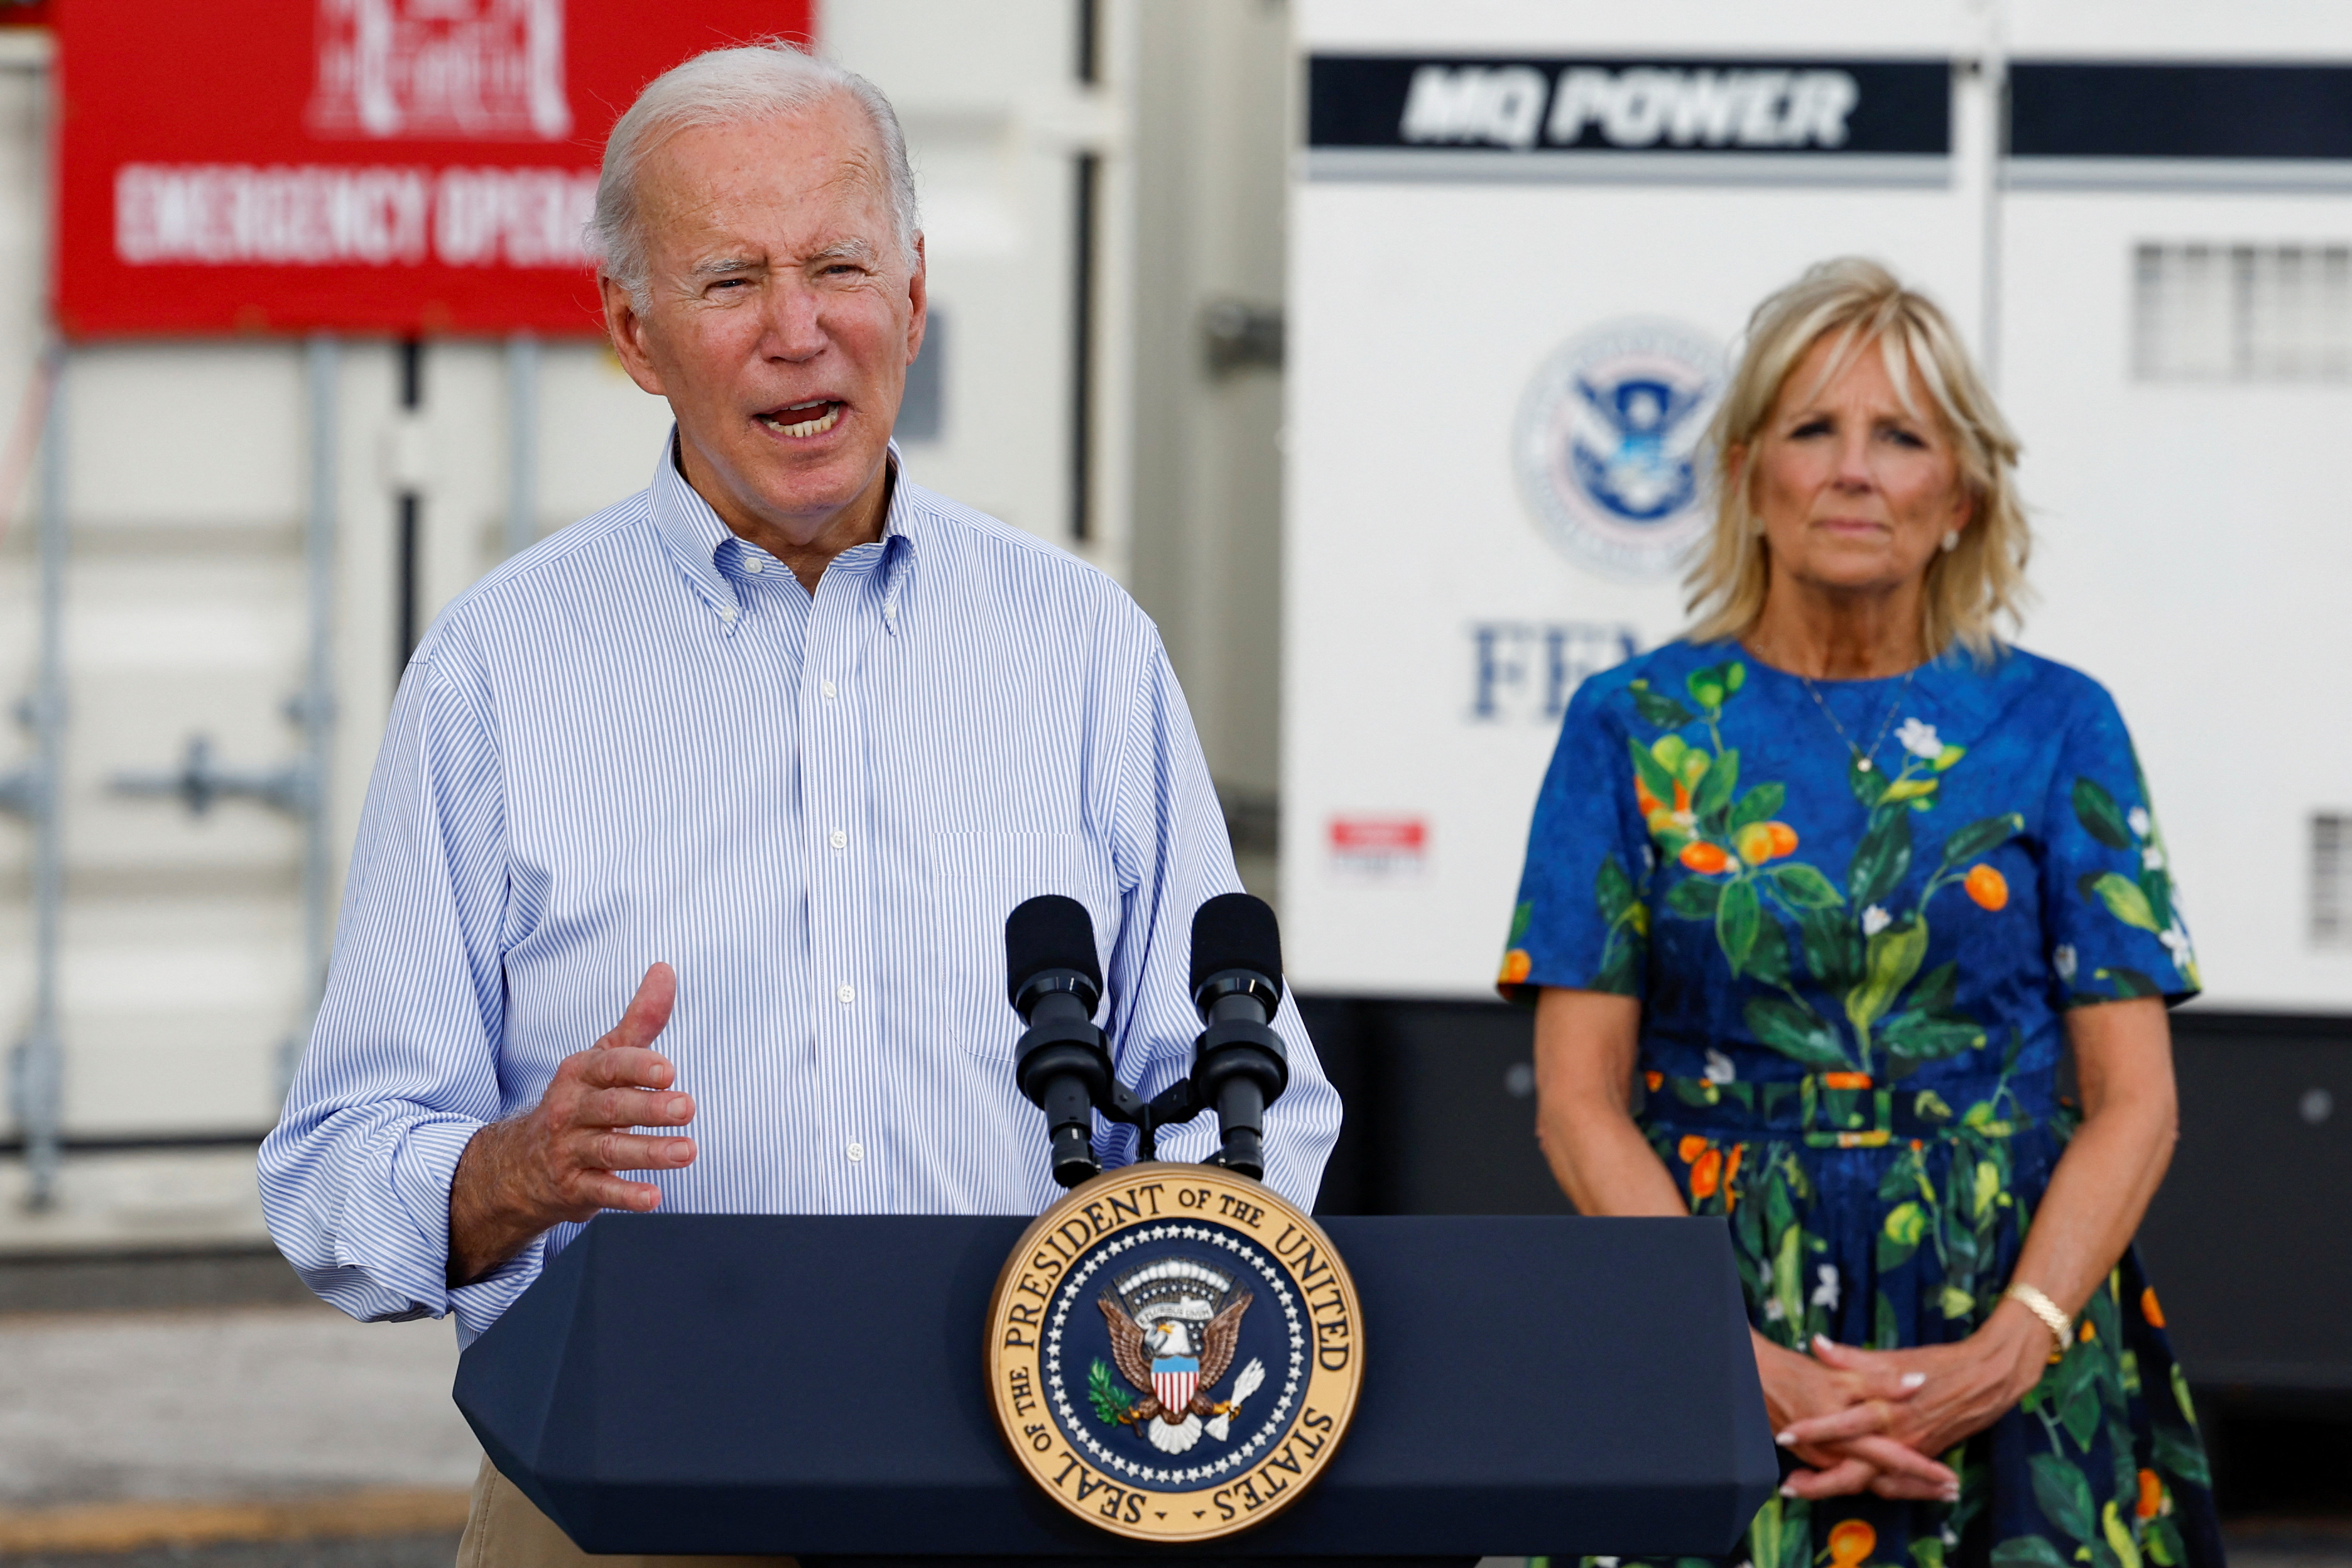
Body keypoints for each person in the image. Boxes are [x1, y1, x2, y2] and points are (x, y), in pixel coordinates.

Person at [258, 40, 1339, 1567]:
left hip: (1042, 1490)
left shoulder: (1080, 645)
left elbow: (1260, 1104)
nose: (797, 331)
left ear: (911, 295)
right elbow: (330, 1174)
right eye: (728, 282)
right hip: (628, 1495)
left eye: (839, 265)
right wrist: (507, 1174)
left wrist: (1143, 1350)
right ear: (634, 335)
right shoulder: (502, 669)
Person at [1500, 259, 2221, 1568]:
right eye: (1813, 429)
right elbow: (1576, 1099)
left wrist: (2008, 1353)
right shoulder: (1635, 729)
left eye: (1900, 436)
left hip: (2016, 1325)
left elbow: (2137, 1102)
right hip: (1713, 1315)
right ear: (1743, 473)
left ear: (1963, 493)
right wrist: (1731, 1359)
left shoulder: (2061, 725)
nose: (1853, 470)